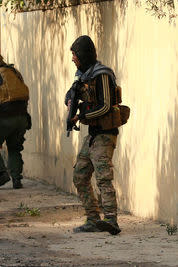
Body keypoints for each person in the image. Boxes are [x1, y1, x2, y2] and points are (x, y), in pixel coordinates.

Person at [66, 35, 122, 235]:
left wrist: (82, 115)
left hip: (105, 134)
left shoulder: (102, 74)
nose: (73, 58)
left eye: (74, 54)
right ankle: (92, 218)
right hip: (93, 135)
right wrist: (70, 101)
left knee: (103, 177)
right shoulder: (83, 76)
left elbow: (106, 106)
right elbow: (74, 94)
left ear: (83, 54)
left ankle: (111, 219)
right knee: (80, 176)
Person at [0, 52, 30, 189]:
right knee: (14, 147)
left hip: (4, 116)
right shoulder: (14, 72)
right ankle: (16, 179)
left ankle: (2, 173)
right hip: (22, 117)